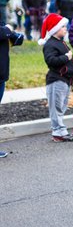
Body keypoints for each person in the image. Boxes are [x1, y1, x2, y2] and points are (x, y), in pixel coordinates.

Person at [38, 13, 73, 142]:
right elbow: (51, 61)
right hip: (56, 79)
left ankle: (60, 130)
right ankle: (58, 132)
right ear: (55, 29)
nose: (66, 29)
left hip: (65, 80)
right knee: (56, 107)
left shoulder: (60, 42)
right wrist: (66, 57)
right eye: (63, 27)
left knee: (62, 106)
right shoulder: (50, 44)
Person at [0, 22, 24, 157]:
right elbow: (5, 31)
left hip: (1, 75)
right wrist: (7, 30)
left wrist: (13, 35)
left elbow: (17, 39)